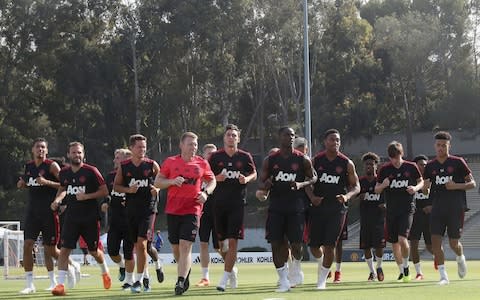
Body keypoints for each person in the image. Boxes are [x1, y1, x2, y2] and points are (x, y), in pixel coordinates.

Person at [154, 131, 216, 295]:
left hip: (193, 210)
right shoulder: (170, 162)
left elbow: (212, 180)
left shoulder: (201, 163)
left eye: (195, 144)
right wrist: (172, 181)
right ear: (181, 145)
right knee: (176, 247)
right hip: (173, 210)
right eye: (190, 144)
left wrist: (206, 193)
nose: (193, 147)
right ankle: (185, 273)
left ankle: (180, 282)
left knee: (185, 246)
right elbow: (157, 182)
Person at [17, 138, 81, 293]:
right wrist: (23, 185)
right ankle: (29, 284)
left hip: (49, 212)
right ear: (33, 150)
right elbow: (29, 183)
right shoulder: (29, 166)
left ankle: (71, 265)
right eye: (38, 147)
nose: (40, 150)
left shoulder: (52, 166)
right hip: (32, 212)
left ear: (47, 151)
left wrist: (46, 182)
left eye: (43, 148)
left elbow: (65, 184)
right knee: (27, 245)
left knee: (50, 250)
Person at [258, 127, 316, 293]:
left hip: (296, 207)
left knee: (296, 245)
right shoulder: (270, 160)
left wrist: (301, 184)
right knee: (276, 243)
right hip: (276, 207)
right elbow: (261, 182)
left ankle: (296, 268)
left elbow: (313, 177)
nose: (290, 137)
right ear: (279, 137)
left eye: (292, 135)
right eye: (286, 135)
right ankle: (283, 280)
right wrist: (266, 185)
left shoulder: (302, 159)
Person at [50, 141, 111, 296]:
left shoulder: (91, 171)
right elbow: (63, 189)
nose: (76, 155)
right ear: (68, 154)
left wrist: (87, 196)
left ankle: (105, 271)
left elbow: (104, 191)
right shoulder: (64, 173)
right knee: (64, 250)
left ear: (83, 154)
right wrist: (58, 200)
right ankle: (61, 285)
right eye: (74, 152)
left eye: (79, 152)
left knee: (93, 251)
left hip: (90, 217)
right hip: (71, 217)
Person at [307, 129, 360, 290]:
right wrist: (312, 198)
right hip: (317, 208)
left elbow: (357, 186)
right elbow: (306, 182)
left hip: (337, 209)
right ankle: (322, 261)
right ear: (325, 142)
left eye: (337, 140)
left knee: (330, 244)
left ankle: (322, 280)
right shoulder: (316, 161)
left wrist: (347, 196)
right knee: (314, 246)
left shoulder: (346, 163)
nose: (335, 143)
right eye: (332, 140)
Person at [423, 131, 476, 285]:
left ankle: (460, 258)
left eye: (443, 145)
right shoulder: (430, 166)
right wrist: (425, 188)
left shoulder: (458, 162)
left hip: (455, 208)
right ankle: (443, 276)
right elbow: (426, 188)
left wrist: (455, 186)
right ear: (435, 146)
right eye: (438, 145)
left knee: (454, 244)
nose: (440, 148)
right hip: (437, 208)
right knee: (435, 242)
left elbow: (472, 184)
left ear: (449, 146)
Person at [208, 124, 257, 291]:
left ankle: (223, 279)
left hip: (237, 204)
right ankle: (232, 270)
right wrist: (216, 178)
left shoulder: (244, 157)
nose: (231, 138)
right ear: (224, 138)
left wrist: (247, 179)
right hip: (218, 204)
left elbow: (254, 174)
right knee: (220, 245)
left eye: (234, 135)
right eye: (228, 135)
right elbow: (205, 177)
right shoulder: (215, 158)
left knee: (233, 242)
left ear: (238, 138)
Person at [114, 134, 162, 293]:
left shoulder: (152, 165)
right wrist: (129, 190)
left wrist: (157, 189)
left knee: (142, 245)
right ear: (131, 148)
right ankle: (146, 277)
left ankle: (139, 280)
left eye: (144, 147)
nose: (142, 150)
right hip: (131, 210)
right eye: (139, 147)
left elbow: (161, 181)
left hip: (148, 210)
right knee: (137, 246)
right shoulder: (124, 166)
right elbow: (116, 186)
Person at [375, 141, 423, 283]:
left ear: (401, 154)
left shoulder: (411, 167)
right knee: (394, 243)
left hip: (407, 208)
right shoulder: (384, 169)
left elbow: (421, 182)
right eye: (392, 158)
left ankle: (407, 267)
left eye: (397, 157)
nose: (395, 160)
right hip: (391, 211)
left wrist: (415, 188)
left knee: (403, 239)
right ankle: (402, 270)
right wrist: (383, 185)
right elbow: (377, 189)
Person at [100, 149, 136, 290]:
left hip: (130, 219)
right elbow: (107, 193)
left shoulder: (133, 174)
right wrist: (105, 202)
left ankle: (129, 280)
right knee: (113, 251)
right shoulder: (110, 176)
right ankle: (121, 266)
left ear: (127, 160)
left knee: (129, 252)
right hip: (115, 220)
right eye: (115, 157)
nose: (115, 160)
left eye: (118, 157)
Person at [356, 152, 386, 281]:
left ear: (376, 166)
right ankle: (372, 271)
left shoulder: (380, 181)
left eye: (371, 164)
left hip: (378, 219)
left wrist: (385, 206)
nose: (368, 166)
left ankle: (379, 266)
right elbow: (352, 200)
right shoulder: (360, 182)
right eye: (367, 164)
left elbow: (386, 200)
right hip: (365, 219)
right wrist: (359, 198)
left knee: (379, 246)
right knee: (366, 247)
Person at [196, 143, 219, 287]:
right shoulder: (198, 168)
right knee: (203, 243)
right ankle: (205, 277)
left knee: (219, 247)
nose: (211, 156)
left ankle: (231, 268)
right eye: (208, 153)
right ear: (203, 155)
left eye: (213, 153)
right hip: (203, 211)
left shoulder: (221, 170)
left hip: (218, 211)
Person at [409, 154, 434, 280]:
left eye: (425, 165)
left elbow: (439, 197)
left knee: (430, 246)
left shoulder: (431, 179)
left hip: (429, 217)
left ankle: (439, 260)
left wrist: (432, 207)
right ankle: (419, 273)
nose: (423, 167)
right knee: (413, 244)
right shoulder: (411, 181)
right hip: (415, 216)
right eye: (421, 164)